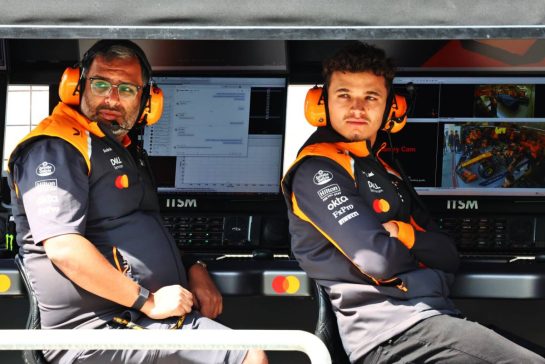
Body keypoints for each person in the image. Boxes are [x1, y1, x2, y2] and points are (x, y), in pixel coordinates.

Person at [281, 41, 545, 364]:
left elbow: (447, 255)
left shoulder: (387, 171)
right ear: (321, 104)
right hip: (392, 338)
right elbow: (378, 260)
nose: (357, 108)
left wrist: (404, 234)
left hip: (432, 321)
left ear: (392, 108)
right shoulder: (316, 171)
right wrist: (424, 267)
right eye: (344, 95)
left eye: (371, 97)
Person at [7, 40, 267, 364]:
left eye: (127, 90)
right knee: (247, 356)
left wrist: (192, 267)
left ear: (147, 101)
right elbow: (64, 248)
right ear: (76, 86)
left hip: (134, 318)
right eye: (101, 84)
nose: (112, 99)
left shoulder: (118, 148)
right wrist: (149, 301)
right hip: (95, 332)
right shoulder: (57, 148)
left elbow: (141, 228)